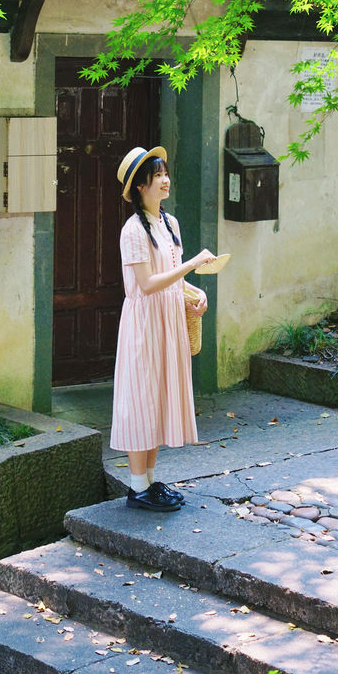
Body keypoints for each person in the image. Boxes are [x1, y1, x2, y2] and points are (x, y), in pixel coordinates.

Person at [111, 145, 216, 513]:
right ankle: (137, 486)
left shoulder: (169, 224)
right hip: (144, 324)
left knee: (157, 398)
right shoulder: (133, 230)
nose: (165, 181)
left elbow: (170, 280)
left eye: (165, 174)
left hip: (168, 320)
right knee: (141, 398)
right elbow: (147, 283)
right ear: (141, 186)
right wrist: (192, 265)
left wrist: (195, 293)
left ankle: (151, 481)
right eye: (158, 177)